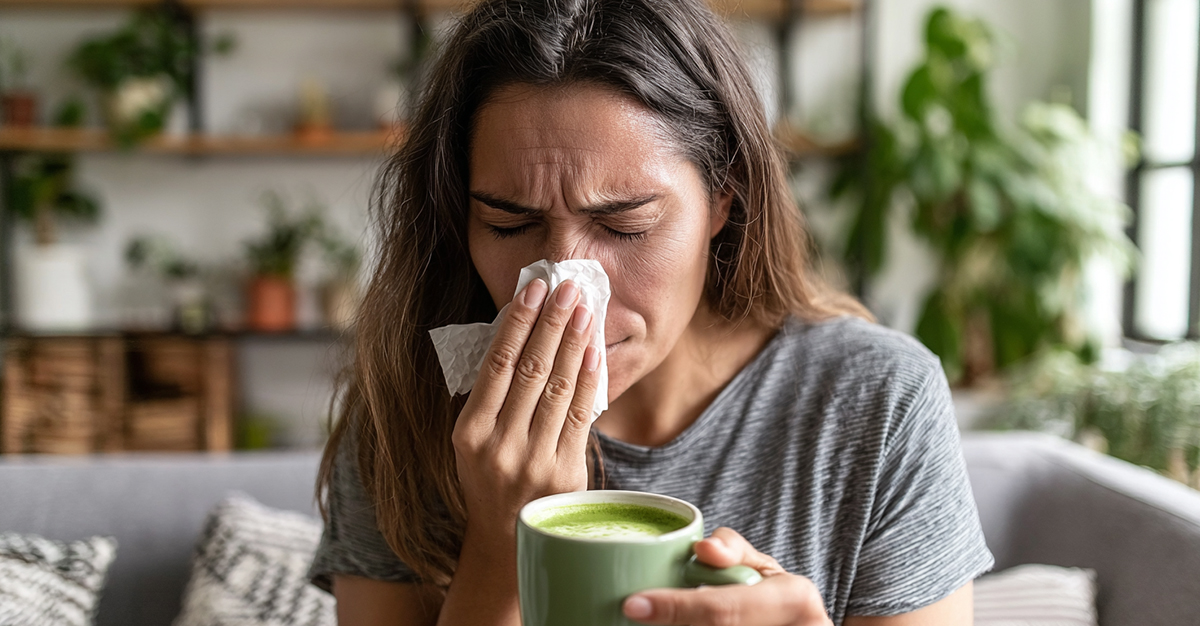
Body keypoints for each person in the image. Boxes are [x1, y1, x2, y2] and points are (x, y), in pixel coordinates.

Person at [308, 0, 994, 623]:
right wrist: (501, 541)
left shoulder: (875, 404)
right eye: (509, 224)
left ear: (723, 198)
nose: (563, 290)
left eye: (625, 225)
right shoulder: (405, 407)